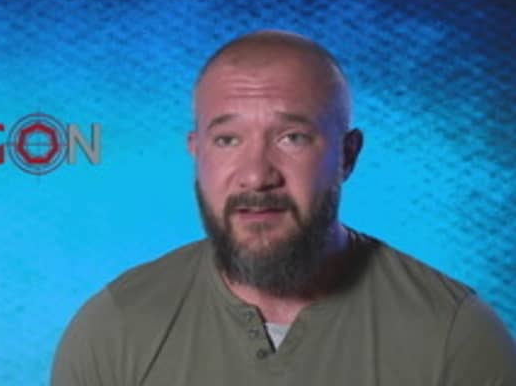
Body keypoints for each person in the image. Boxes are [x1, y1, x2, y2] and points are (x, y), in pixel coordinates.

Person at [51, 30, 516, 385]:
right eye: (227, 140)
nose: (256, 175)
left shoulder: (454, 338)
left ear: (347, 155)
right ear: (197, 153)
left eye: (292, 138)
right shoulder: (115, 329)